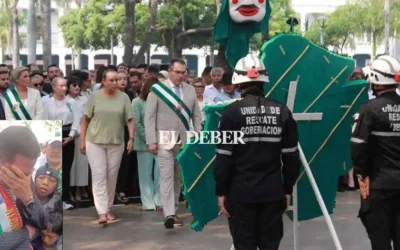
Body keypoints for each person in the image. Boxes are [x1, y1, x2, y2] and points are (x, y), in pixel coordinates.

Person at [214, 54, 301, 250]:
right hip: (272, 193)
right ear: (264, 80)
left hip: (240, 194)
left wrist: (221, 191)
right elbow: (291, 157)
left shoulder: (231, 113)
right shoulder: (282, 111)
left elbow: (223, 158)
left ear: (238, 82)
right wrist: (287, 189)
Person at [145, 58, 202, 229]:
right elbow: (149, 117)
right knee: (166, 176)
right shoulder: (157, 90)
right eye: (177, 72)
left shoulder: (190, 90)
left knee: (178, 178)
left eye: (183, 72)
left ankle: (174, 210)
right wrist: (151, 141)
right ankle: (168, 213)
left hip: (184, 141)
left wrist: (198, 136)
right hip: (163, 140)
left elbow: (196, 116)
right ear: (170, 71)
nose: (180, 76)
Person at [351, 55, 400, 250]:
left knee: (380, 239)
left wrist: (362, 177)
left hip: (379, 186)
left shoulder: (369, 110)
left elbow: (358, 147)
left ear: (375, 80)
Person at [80, 69, 134, 224]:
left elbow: (130, 119)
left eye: (117, 80)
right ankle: (102, 211)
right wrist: (82, 140)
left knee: (111, 176)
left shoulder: (124, 97)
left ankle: (108, 207)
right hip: (94, 141)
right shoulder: (94, 97)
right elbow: (85, 119)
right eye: (112, 80)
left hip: (116, 141)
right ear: (103, 81)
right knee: (99, 175)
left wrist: (131, 138)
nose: (115, 83)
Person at [0, 126, 43, 250]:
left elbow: (42, 222)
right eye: (18, 173)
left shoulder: (26, 181)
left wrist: (28, 198)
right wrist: (25, 233)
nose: (24, 179)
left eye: (28, 173)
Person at [43, 77, 80, 209]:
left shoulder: (71, 102)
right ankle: (52, 199)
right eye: (61, 86)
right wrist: (53, 137)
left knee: (66, 169)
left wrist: (70, 136)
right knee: (53, 169)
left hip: (68, 135)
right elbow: (45, 120)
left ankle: (65, 199)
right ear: (54, 87)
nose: (64, 88)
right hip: (53, 135)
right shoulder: (47, 103)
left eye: (65, 86)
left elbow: (77, 119)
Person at [132, 77, 162, 211]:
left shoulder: (162, 103)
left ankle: (159, 200)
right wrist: (150, 139)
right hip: (143, 144)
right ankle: (148, 203)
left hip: (161, 142)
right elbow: (137, 124)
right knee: (145, 174)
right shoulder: (137, 102)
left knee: (160, 173)